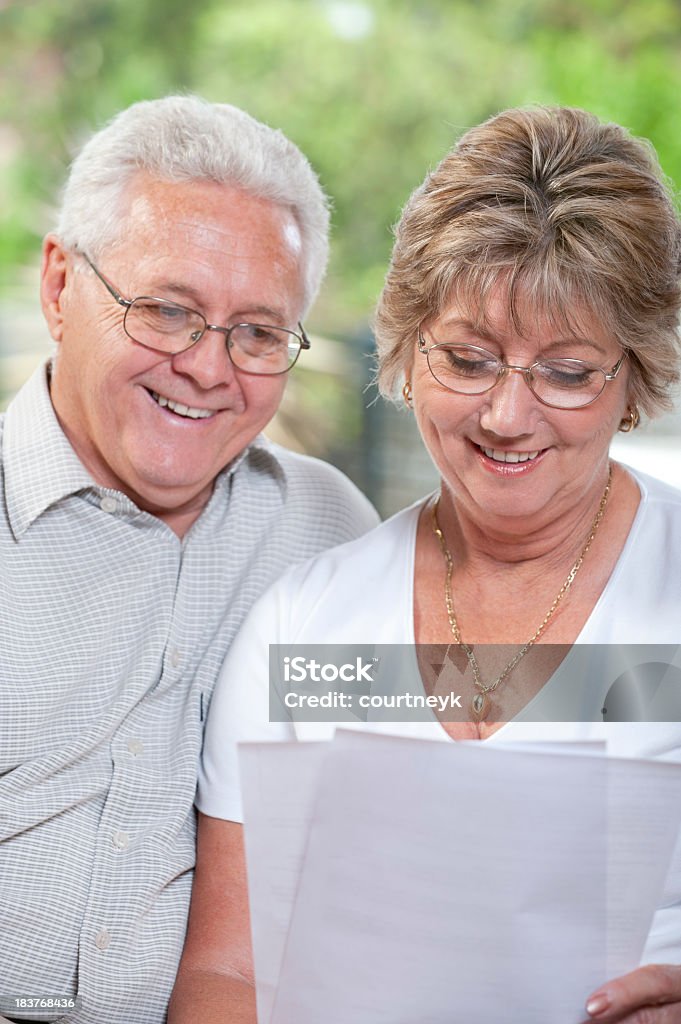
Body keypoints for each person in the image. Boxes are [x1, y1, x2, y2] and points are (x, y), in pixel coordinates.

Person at [171, 106, 681, 1023]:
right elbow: (228, 975)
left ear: (635, 377)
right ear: (407, 349)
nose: (505, 417)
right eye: (468, 359)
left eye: (565, 372)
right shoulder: (305, 622)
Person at [0, 95, 378, 1024]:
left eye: (256, 333)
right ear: (58, 287)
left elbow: (449, 752)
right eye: (167, 311)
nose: (209, 368)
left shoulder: (330, 531)